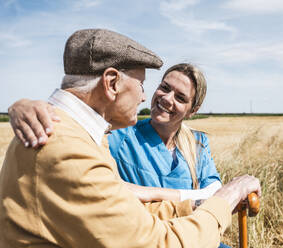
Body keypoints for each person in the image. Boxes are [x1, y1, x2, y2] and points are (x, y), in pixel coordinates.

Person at [0, 28, 261, 247]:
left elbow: (126, 211)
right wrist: (224, 199)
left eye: (180, 97)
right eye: (142, 84)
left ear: (193, 111)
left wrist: (193, 205)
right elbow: (157, 242)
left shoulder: (83, 136)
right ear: (112, 83)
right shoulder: (73, 147)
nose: (145, 97)